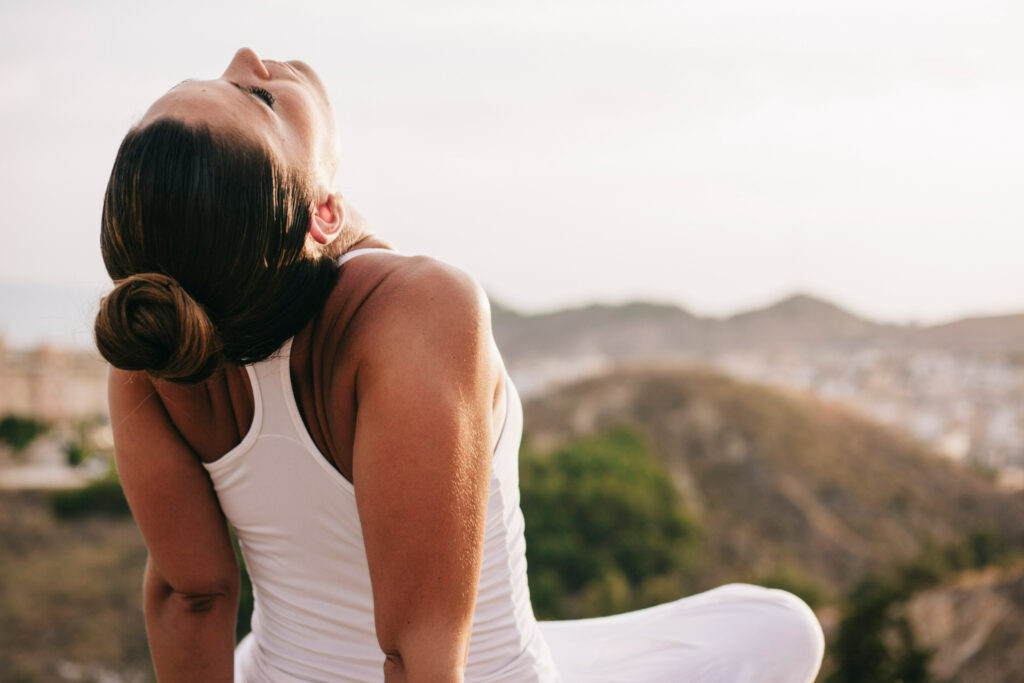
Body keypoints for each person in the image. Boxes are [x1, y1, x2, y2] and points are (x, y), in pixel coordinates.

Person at [95, 47, 825, 682]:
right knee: (779, 628)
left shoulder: (154, 344)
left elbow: (189, 597)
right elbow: (418, 657)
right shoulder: (418, 311)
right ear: (321, 215)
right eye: (255, 98)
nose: (248, 57)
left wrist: (303, 163)